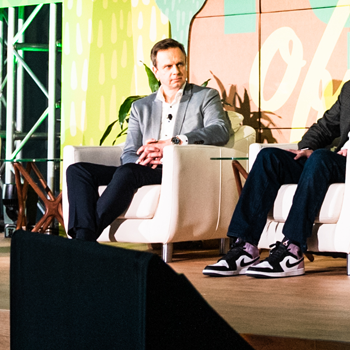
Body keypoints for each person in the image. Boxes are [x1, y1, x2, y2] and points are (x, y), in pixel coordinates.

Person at [204, 23, 350, 278]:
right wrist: (306, 147)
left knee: (322, 157)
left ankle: (291, 250)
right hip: (334, 161)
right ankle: (245, 247)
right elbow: (326, 124)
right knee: (270, 157)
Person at [64, 38, 232, 241]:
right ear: (156, 71)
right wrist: (142, 161)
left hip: (178, 169)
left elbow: (220, 130)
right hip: (143, 168)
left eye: (180, 64)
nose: (176, 71)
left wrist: (173, 142)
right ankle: (84, 239)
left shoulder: (205, 96)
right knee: (78, 170)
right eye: (168, 66)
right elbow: (128, 152)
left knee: (127, 172)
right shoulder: (141, 107)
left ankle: (82, 240)